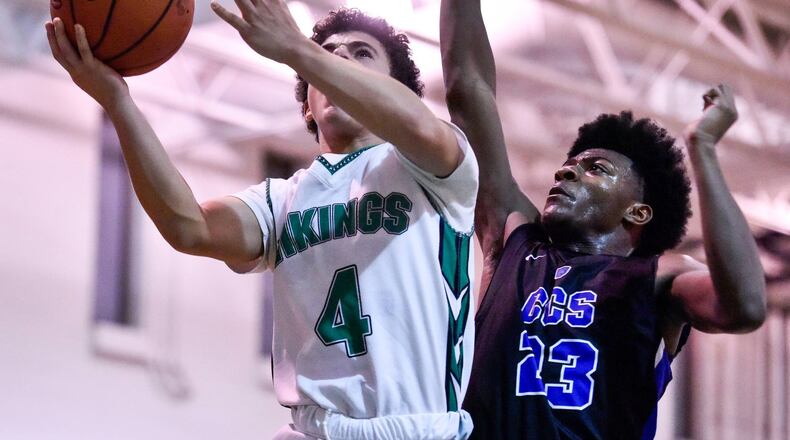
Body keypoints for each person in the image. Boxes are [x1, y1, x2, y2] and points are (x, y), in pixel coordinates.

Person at [46, 2, 478, 439]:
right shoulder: (282, 199)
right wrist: (118, 101)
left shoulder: (436, 169)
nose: (339, 58)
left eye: (361, 54)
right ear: (308, 108)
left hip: (415, 430)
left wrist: (298, 49)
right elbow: (188, 226)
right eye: (329, 53)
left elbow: (419, 127)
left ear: (394, 90)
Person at [440, 1, 767, 438]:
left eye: (596, 169)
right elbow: (468, 90)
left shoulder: (656, 279)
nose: (566, 171)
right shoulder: (513, 240)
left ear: (638, 213)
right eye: (569, 165)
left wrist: (703, 149)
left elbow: (744, 307)